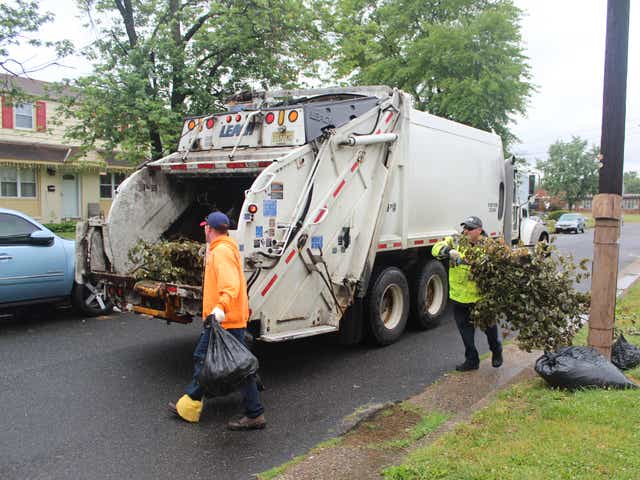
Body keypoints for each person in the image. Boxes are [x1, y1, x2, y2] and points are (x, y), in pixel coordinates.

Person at [169, 211, 266, 430]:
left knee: (206, 359)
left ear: (209, 229)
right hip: (228, 319)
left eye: (204, 227)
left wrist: (219, 309)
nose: (204, 229)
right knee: (235, 366)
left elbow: (230, 285)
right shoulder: (224, 248)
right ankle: (251, 411)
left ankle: (192, 404)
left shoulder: (220, 252)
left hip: (224, 320)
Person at [433, 216, 503, 372]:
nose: (465, 231)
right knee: (466, 333)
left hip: (481, 299)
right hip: (459, 299)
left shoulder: (489, 246)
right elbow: (436, 248)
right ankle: (472, 360)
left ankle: (496, 350)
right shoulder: (456, 240)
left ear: (479, 230)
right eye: (464, 228)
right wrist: (448, 251)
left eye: (469, 229)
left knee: (490, 330)